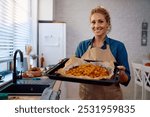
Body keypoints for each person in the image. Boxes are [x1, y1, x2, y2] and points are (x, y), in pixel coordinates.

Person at [75, 6, 131, 100]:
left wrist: (121, 74)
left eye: (100, 21)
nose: (96, 26)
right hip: (87, 98)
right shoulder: (82, 46)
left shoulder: (118, 46)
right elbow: (73, 71)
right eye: (93, 22)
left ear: (107, 24)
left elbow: (126, 81)